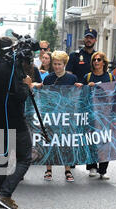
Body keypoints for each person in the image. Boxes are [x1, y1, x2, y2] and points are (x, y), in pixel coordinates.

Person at [0, 37, 32, 209]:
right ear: (12, 49)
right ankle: (4, 194)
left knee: (1, 158)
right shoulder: (13, 68)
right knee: (25, 158)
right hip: (15, 120)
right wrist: (27, 86)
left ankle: (2, 198)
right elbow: (21, 95)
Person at [41, 50, 83, 182]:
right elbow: (44, 96)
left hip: (66, 114)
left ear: (64, 64)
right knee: (50, 142)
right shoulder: (48, 78)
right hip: (52, 114)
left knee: (66, 142)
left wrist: (79, 88)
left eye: (59, 64)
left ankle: (68, 170)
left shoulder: (72, 79)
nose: (57, 66)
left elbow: (75, 97)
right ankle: (48, 170)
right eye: (55, 64)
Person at [82, 51, 116, 180]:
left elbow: (114, 92)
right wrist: (87, 87)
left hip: (106, 114)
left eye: (99, 60)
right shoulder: (87, 77)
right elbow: (81, 93)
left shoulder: (110, 77)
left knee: (105, 140)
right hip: (91, 112)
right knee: (91, 140)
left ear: (104, 62)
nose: (96, 62)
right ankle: (92, 166)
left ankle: (103, 170)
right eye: (94, 60)